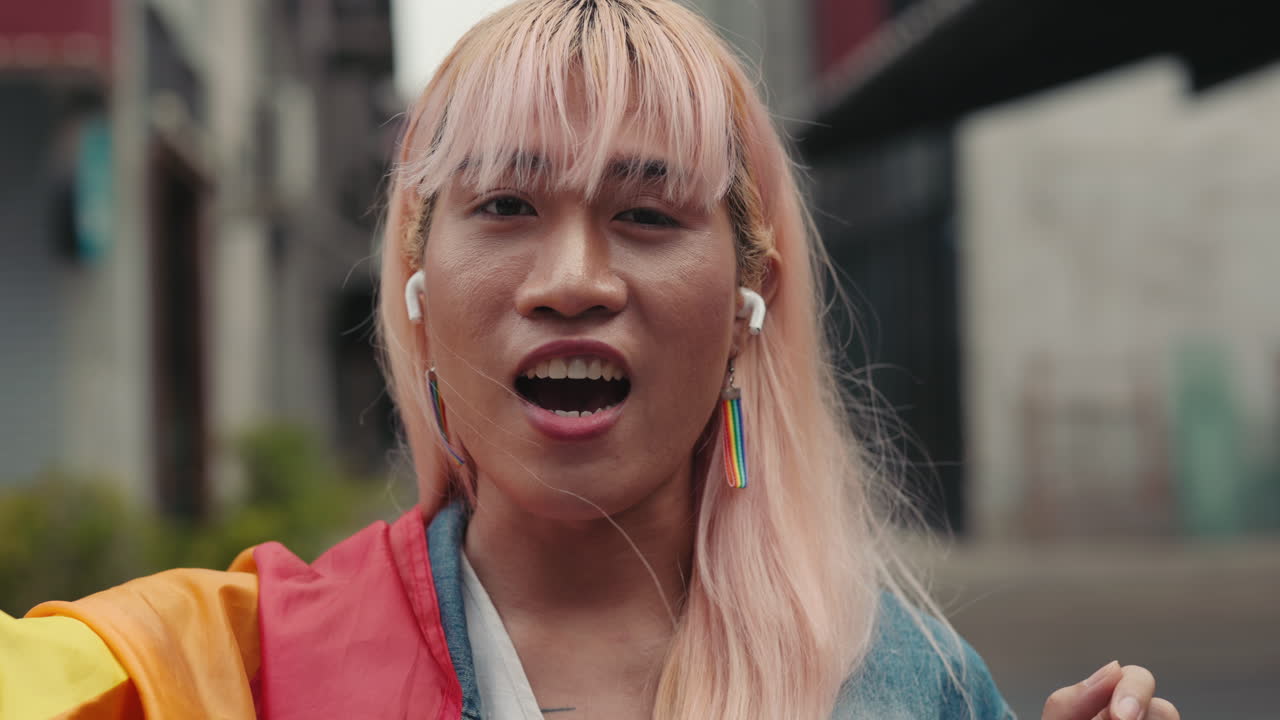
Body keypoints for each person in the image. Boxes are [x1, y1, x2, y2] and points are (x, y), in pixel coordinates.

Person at [0, 1, 1179, 718]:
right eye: (506, 206)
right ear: (417, 280)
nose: (572, 279)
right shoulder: (228, 672)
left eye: (648, 215)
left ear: (749, 297)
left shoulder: (904, 683)